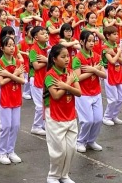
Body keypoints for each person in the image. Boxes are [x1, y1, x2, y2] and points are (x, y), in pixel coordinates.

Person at [44, 44, 81, 183]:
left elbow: (79, 92)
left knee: (71, 149)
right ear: (54, 59)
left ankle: (64, 175)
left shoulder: (70, 73)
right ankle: (53, 176)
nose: (67, 59)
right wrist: (69, 84)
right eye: (63, 56)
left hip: (70, 114)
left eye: (68, 56)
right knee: (58, 151)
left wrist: (66, 85)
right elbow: (56, 95)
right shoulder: (50, 75)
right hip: (55, 116)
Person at [0, 36, 24, 165]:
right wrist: (14, 75)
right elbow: (1, 82)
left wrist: (11, 75)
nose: (12, 48)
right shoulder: (0, 62)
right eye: (9, 45)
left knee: (15, 125)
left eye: (13, 45)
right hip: (5, 94)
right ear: (2, 48)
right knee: (6, 126)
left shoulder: (17, 62)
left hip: (16, 94)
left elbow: (22, 80)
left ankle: (10, 151)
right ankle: (1, 153)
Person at [73, 30, 106, 153]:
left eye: (94, 41)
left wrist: (93, 70)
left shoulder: (97, 56)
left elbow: (104, 74)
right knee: (87, 120)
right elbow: (77, 78)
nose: (92, 43)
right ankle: (81, 141)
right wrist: (94, 70)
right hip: (83, 93)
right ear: (82, 42)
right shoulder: (77, 58)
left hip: (96, 92)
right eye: (89, 41)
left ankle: (91, 140)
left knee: (98, 119)